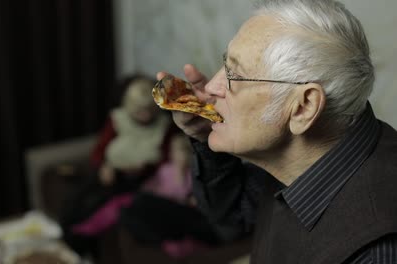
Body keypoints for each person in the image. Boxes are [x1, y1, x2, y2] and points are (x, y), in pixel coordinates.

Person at [159, 0, 397, 263]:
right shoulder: (307, 157)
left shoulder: (376, 250)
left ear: (303, 107)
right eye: (224, 63)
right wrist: (206, 136)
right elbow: (231, 218)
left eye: (234, 74)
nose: (212, 86)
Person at [60, 74, 177, 257]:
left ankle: (80, 244)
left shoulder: (164, 127)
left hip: (139, 181)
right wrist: (103, 167)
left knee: (100, 208)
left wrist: (144, 169)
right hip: (111, 172)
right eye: (139, 111)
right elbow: (98, 152)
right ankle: (65, 237)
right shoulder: (117, 120)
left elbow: (167, 163)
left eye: (149, 110)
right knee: (76, 201)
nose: (145, 116)